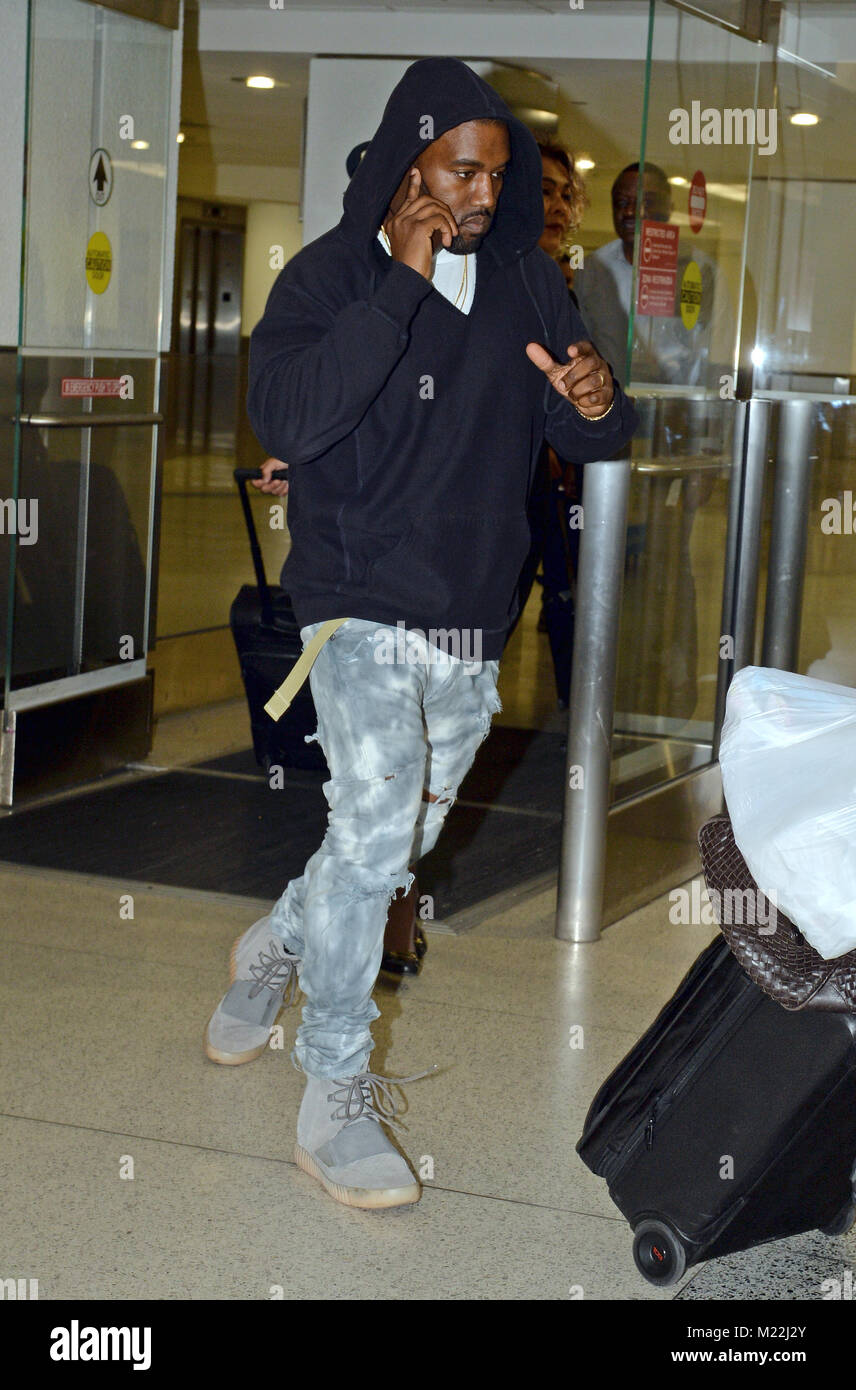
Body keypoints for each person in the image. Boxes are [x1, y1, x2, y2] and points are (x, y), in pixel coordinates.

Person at [204, 57, 637, 1212]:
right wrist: (398, 281)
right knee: (379, 818)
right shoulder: (329, 275)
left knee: (382, 849)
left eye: (500, 172)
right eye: (462, 167)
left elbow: (589, 433)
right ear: (410, 157)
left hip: (470, 614)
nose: (485, 194)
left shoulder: (530, 284)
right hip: (351, 599)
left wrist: (597, 405)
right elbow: (293, 413)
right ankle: (332, 1090)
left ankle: (279, 944)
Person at [510, 140, 590, 707]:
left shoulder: (558, 284)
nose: (559, 207)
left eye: (566, 194)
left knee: (567, 602)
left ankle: (579, 737)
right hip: (497, 485)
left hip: (553, 481)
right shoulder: (490, 277)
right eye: (543, 192)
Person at [575, 161, 733, 391]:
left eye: (645, 202)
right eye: (622, 203)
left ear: (669, 208)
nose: (630, 212)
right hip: (608, 404)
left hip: (677, 407)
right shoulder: (592, 269)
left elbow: (720, 356)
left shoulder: (701, 271)